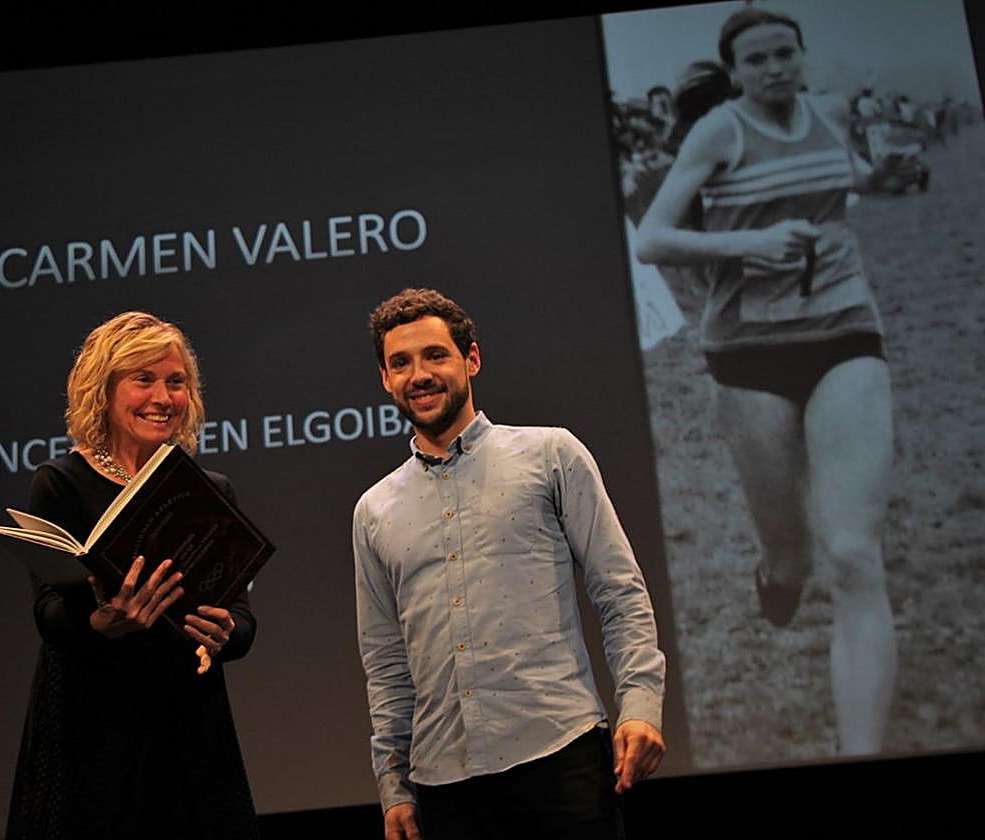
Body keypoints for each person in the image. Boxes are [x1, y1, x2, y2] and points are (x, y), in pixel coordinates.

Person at [635, 8, 897, 756]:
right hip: (749, 351)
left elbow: (844, 183)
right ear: (736, 72)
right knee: (794, 557)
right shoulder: (719, 132)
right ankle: (779, 575)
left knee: (854, 552)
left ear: (804, 56)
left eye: (786, 53)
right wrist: (754, 242)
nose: (775, 68)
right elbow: (653, 238)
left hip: (846, 330)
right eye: (757, 60)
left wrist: (881, 179)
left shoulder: (832, 114)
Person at [353, 288, 665, 840]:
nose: (419, 375)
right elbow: (386, 663)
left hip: (561, 757)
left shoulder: (551, 455)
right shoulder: (373, 510)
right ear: (385, 378)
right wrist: (393, 784)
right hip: (444, 787)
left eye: (435, 355)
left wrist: (640, 704)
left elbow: (618, 591)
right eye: (400, 363)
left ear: (471, 359)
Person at [6, 311, 258, 839]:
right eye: (143, 379)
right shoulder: (61, 483)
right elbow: (48, 610)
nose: (162, 397)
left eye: (176, 382)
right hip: (94, 728)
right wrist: (101, 623)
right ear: (103, 390)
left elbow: (241, 617)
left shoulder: (209, 489)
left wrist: (226, 633)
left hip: (189, 725)